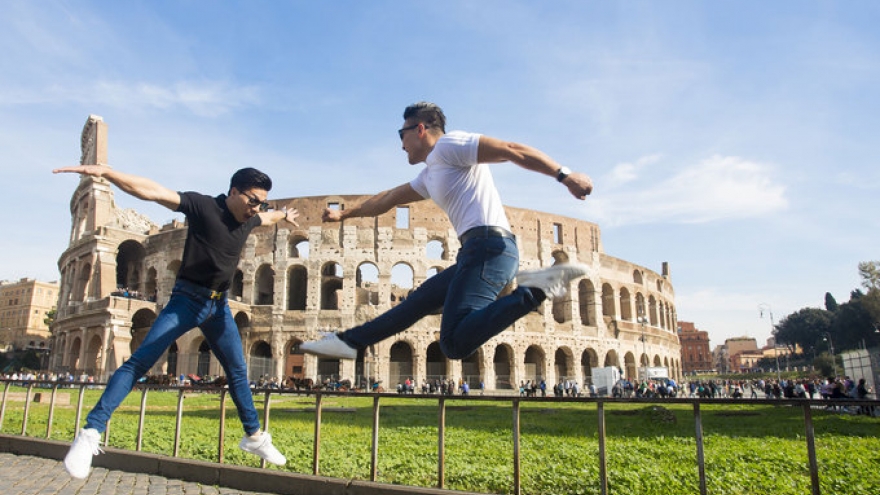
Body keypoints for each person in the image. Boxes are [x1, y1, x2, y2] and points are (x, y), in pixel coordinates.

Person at [53, 164, 299, 478]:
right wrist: (107, 173)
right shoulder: (203, 206)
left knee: (238, 370)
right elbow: (153, 191)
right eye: (252, 200)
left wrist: (283, 213)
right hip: (187, 300)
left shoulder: (250, 218)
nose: (255, 208)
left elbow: (269, 216)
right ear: (233, 192)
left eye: (260, 203)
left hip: (219, 306)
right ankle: (90, 434)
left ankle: (253, 437)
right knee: (138, 364)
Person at [299, 101, 593, 364]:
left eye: (401, 134)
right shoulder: (430, 175)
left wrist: (564, 175)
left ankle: (536, 289)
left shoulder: (450, 145)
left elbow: (511, 150)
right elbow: (387, 198)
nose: (400, 143)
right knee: (414, 304)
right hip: (476, 252)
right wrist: (344, 213)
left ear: (421, 129)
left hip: (491, 249)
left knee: (453, 343)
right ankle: (349, 342)